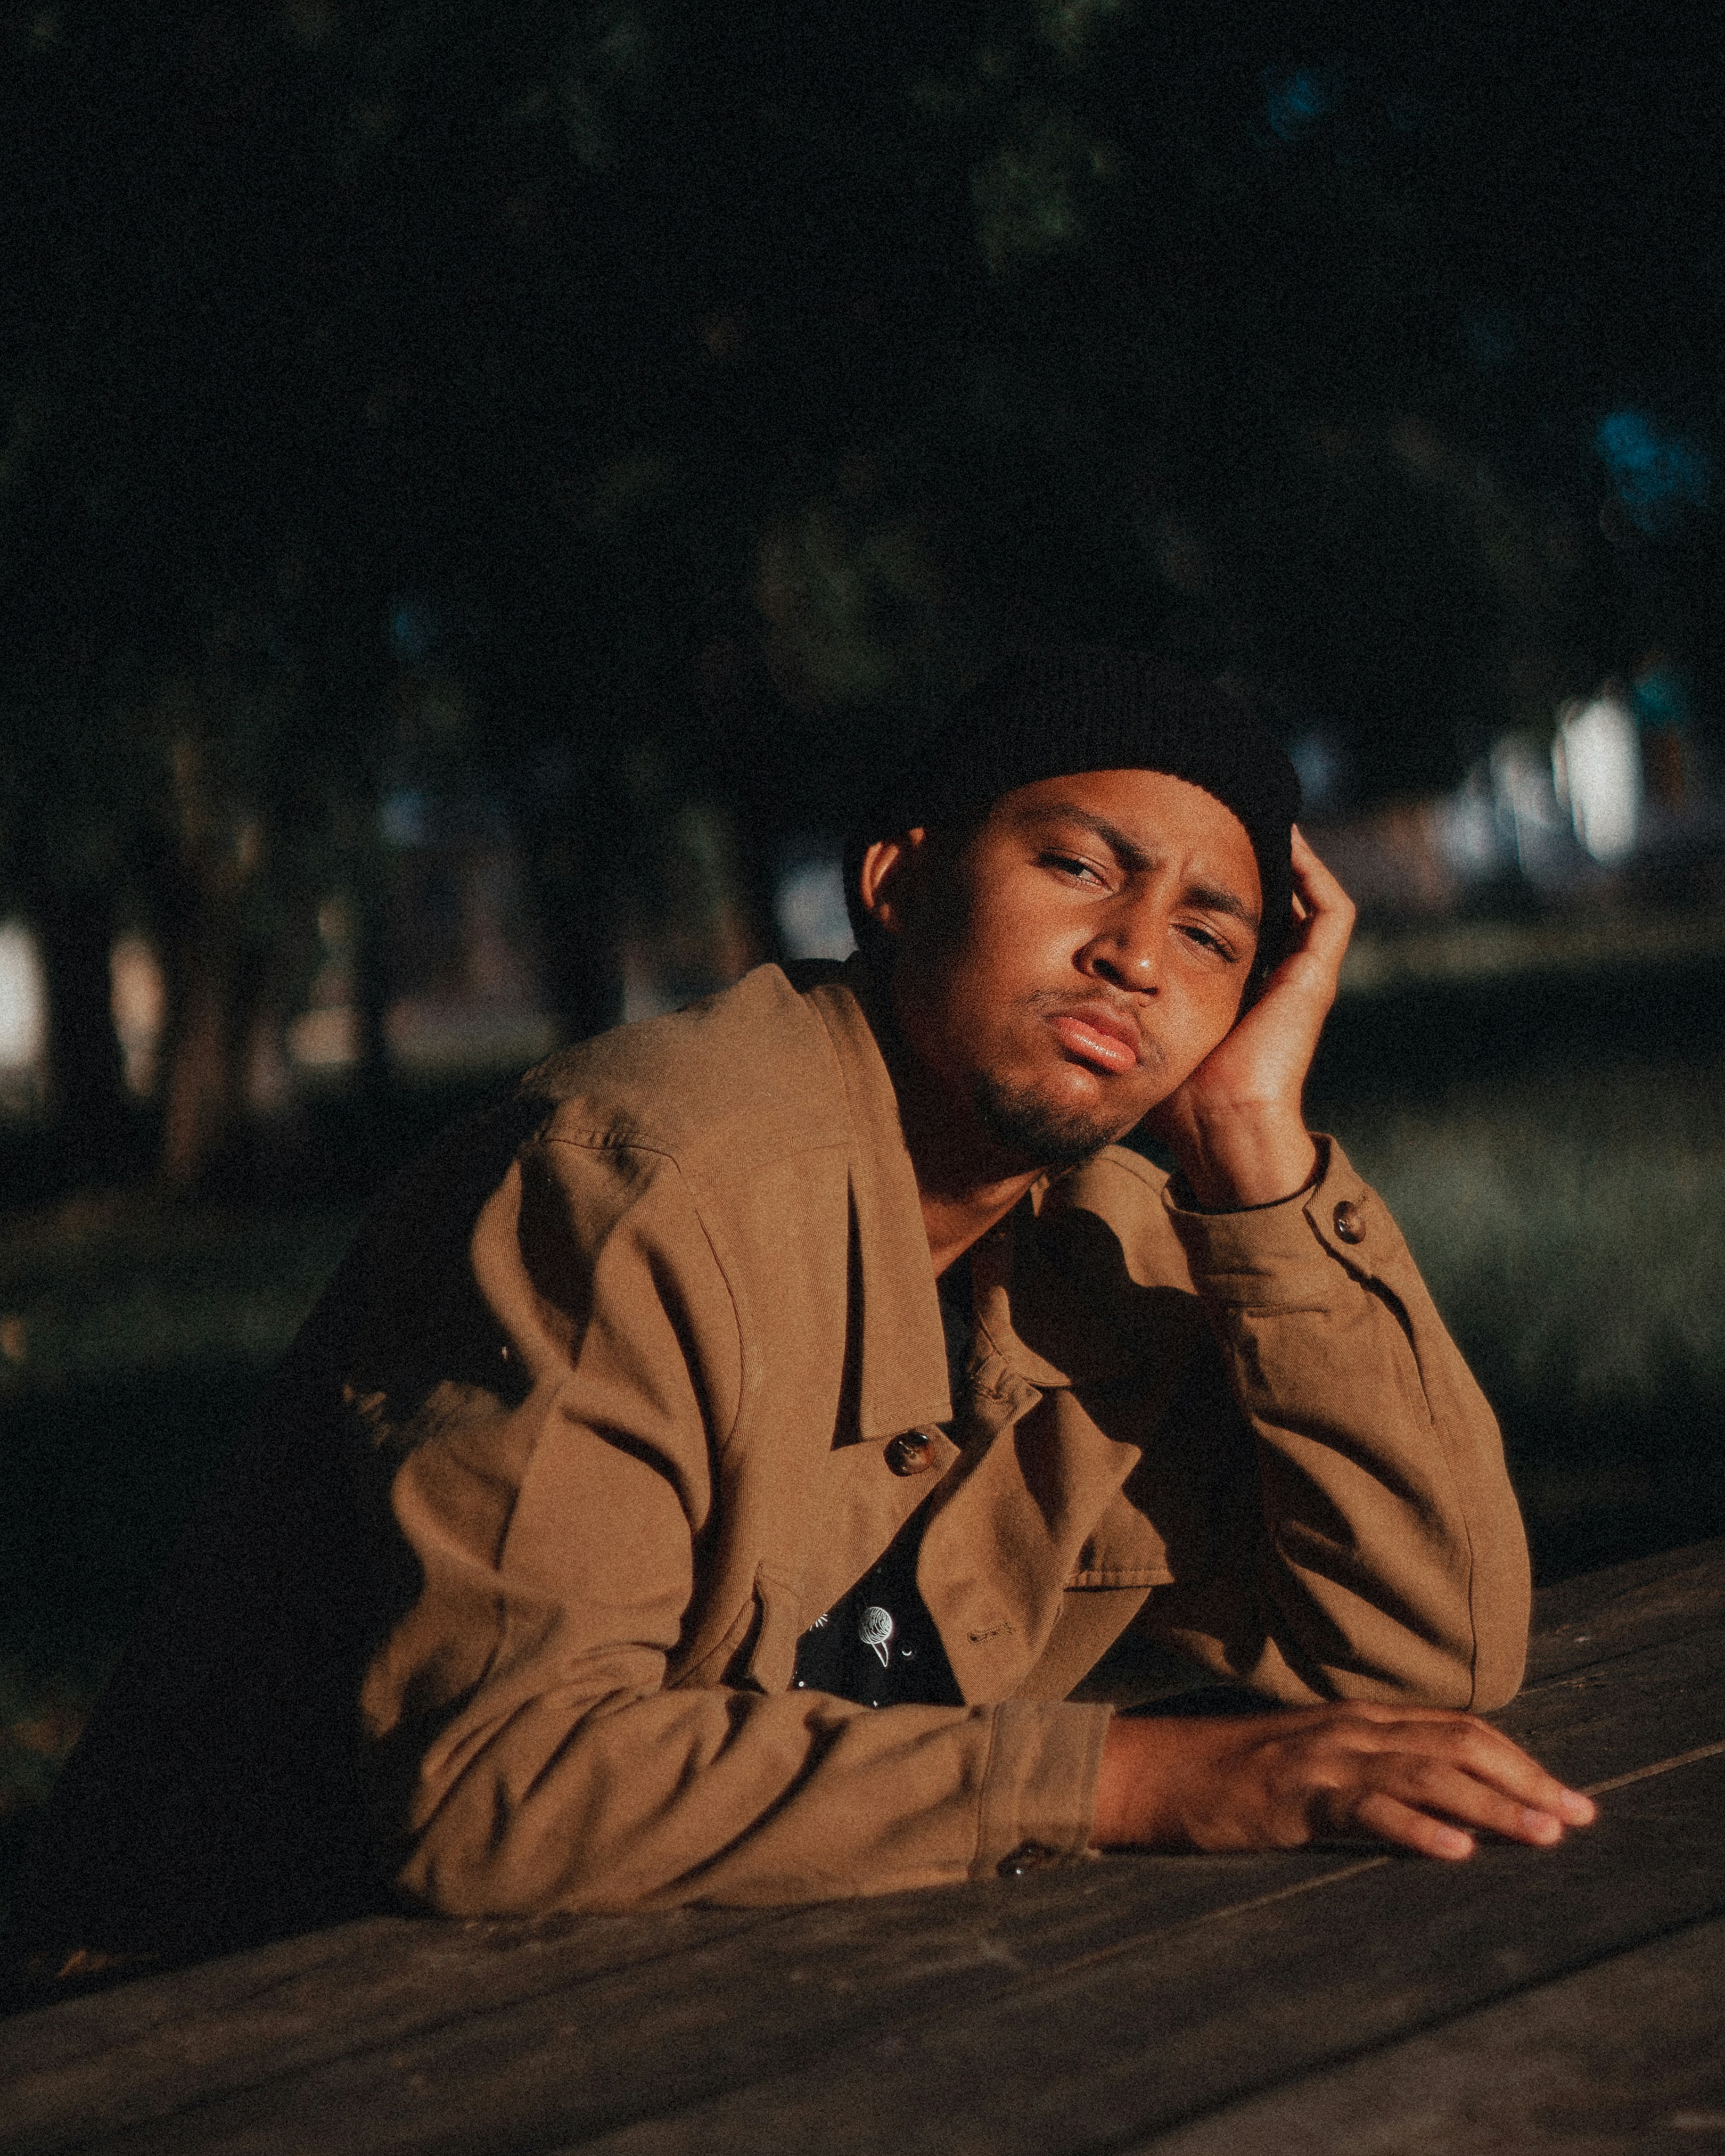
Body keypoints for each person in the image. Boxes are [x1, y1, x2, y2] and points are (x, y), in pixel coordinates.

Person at [9, 648, 1592, 1975]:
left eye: (1208, 933)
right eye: (1078, 866)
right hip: (236, 2015)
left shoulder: (1119, 1239)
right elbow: (500, 1786)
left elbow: (1438, 1646)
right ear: (897, 882)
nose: (1133, 955)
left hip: (693, 2000)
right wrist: (1129, 1777)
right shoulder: (638, 1182)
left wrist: (1257, 1153)